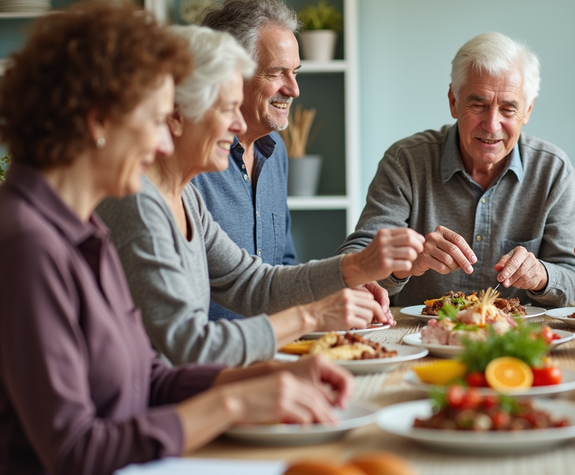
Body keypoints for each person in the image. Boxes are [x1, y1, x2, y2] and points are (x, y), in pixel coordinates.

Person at [0, 1, 355, 475]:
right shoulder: (27, 244)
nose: (165, 141)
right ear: (99, 120)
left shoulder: (83, 227)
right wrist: (231, 402)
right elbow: (76, 456)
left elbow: (150, 378)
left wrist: (265, 375)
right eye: (159, 119)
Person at [96, 25, 423, 367]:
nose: (238, 126)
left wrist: (356, 266)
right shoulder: (138, 202)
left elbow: (252, 283)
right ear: (176, 113)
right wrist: (311, 316)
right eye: (226, 109)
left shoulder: (184, 199)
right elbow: (189, 345)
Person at [337, 32, 575, 307]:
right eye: (478, 104)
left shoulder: (553, 170)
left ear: (527, 111)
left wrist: (541, 276)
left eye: (508, 109)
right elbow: (352, 265)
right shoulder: (406, 162)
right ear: (453, 102)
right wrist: (406, 262)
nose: (492, 125)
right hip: (418, 339)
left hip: (516, 341)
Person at [190, 0, 311, 322]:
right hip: (212, 363)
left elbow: (282, 266)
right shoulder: (190, 162)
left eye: (295, 72)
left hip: (274, 350)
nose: (293, 89)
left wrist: (339, 292)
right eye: (277, 73)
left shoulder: (276, 153)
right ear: (230, 75)